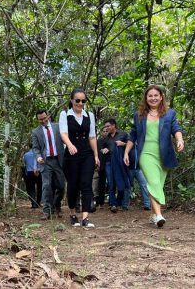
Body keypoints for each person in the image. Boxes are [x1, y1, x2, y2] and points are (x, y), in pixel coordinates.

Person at [123, 85, 184, 228]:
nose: (153, 98)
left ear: (161, 97)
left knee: (157, 185)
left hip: (163, 155)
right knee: (154, 183)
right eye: (150, 96)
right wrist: (126, 152)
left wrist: (179, 140)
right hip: (146, 154)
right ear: (146, 98)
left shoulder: (169, 114)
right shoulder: (139, 115)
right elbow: (133, 135)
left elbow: (176, 129)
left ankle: (152, 214)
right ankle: (159, 216)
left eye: (156, 95)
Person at [59, 88, 100, 227]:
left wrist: (96, 155)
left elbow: (92, 136)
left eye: (83, 100)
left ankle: (85, 217)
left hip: (86, 153)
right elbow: (63, 133)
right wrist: (69, 145)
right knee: (73, 185)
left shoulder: (89, 115)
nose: (80, 103)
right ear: (72, 100)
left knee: (86, 184)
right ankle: (73, 214)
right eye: (77, 100)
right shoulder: (65, 114)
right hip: (71, 155)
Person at [32, 109, 65, 220]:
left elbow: (65, 140)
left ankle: (56, 204)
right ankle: (47, 211)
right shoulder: (36, 132)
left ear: (48, 116)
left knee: (61, 186)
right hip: (45, 162)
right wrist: (38, 157)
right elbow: (35, 148)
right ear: (37, 120)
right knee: (46, 186)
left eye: (44, 118)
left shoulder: (58, 127)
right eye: (40, 119)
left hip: (58, 160)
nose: (43, 121)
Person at [101, 119, 130, 212]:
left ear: (113, 125)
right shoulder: (106, 137)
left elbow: (132, 144)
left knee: (121, 183)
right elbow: (102, 147)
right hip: (108, 163)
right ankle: (113, 204)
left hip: (120, 163)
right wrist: (103, 149)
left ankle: (119, 202)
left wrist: (123, 144)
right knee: (111, 183)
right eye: (105, 126)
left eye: (108, 126)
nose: (106, 128)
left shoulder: (123, 134)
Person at [22, 143, 42, 208]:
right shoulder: (39, 154)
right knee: (40, 187)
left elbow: (24, 164)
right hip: (39, 172)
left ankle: (33, 203)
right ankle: (38, 202)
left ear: (29, 146)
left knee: (31, 188)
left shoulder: (26, 155)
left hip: (30, 173)